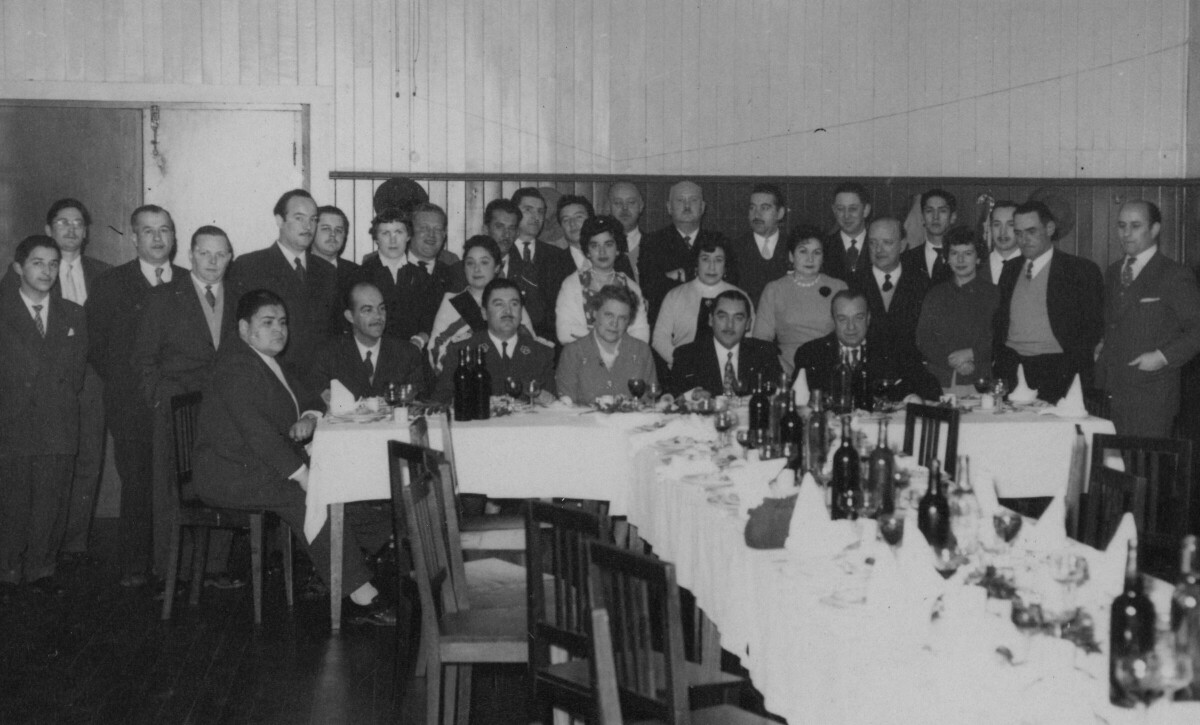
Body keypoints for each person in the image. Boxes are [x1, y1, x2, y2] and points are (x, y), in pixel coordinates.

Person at [193, 289, 396, 626]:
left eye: (283, 322)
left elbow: (312, 400)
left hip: (258, 465)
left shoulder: (268, 361)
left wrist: (309, 417)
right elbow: (258, 434)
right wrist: (302, 474)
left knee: (337, 481)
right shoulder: (234, 367)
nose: (279, 330)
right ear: (244, 328)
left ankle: (372, 549)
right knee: (306, 495)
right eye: (268, 323)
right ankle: (360, 592)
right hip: (228, 474)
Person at [132, 225, 245, 582]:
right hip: (176, 406)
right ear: (191, 254)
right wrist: (159, 398)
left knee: (222, 482)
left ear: (230, 257)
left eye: (220, 254)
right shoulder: (163, 297)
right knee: (171, 491)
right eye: (204, 253)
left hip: (225, 409)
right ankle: (171, 572)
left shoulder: (241, 298)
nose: (212, 261)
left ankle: (214, 567)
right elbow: (144, 358)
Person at [88, 205, 186, 588]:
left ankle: (177, 566)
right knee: (138, 482)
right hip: (131, 404)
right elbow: (98, 348)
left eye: (164, 230)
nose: (158, 238)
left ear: (174, 236)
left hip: (180, 405)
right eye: (148, 231)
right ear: (133, 237)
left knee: (179, 485)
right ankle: (135, 565)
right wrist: (133, 388)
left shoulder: (188, 281)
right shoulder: (111, 284)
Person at [0, 235, 88, 595]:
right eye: (38, 263)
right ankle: (7, 570)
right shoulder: (3, 311)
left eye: (53, 264)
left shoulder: (73, 314)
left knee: (52, 502)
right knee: (12, 501)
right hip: (11, 422)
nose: (47, 271)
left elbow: (76, 374)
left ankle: (41, 569)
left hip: (57, 422)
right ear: (18, 267)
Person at [1096, 200, 1200, 436]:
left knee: (1143, 460)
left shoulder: (1174, 274)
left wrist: (1162, 357)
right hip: (1110, 391)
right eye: (1121, 226)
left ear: (1154, 229)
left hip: (1152, 397)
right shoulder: (1113, 272)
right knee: (1109, 458)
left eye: (1135, 226)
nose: (1126, 233)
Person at [45, 199, 109, 568]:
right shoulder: (32, 268)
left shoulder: (104, 274)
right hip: (48, 384)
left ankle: (74, 543)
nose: (71, 229)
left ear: (86, 232)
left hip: (91, 381)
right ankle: (44, 543)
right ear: (49, 228)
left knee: (88, 459)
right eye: (62, 222)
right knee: (53, 462)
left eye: (78, 223)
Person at [993, 200, 1104, 402]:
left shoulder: (1080, 270)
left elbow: (1093, 327)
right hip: (1011, 366)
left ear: (1050, 228)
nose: (1023, 239)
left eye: (1031, 231)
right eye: (1018, 233)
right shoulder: (1010, 269)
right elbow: (999, 321)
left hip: (1058, 369)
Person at [230, 189, 338, 378]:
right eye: (299, 218)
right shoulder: (249, 266)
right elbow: (239, 333)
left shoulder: (327, 271)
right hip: (269, 377)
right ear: (279, 220)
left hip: (319, 379)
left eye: (313, 219)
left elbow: (331, 334)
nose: (308, 226)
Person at [793, 290, 942, 402]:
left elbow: (931, 388)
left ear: (868, 318)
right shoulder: (811, 353)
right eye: (843, 319)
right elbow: (799, 399)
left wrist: (907, 396)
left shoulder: (892, 348)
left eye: (858, 318)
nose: (851, 327)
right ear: (833, 321)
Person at [433, 279, 556, 404]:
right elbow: (441, 400)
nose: (508, 311)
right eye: (499, 304)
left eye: (514, 304)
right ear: (484, 313)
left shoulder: (541, 352)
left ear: (521, 312)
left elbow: (553, 404)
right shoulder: (463, 350)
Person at [354, 205, 459, 349]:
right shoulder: (365, 271)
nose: (431, 235)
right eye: (424, 228)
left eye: (437, 229)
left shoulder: (438, 273)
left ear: (407, 235)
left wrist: (419, 340)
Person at [428, 235, 536, 371]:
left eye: (484, 262)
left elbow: (531, 347)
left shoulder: (511, 300)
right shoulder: (452, 302)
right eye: (470, 263)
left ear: (497, 267)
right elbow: (435, 351)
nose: (476, 269)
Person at [308, 281, 431, 400]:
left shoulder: (407, 354)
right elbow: (317, 403)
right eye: (368, 310)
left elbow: (418, 405)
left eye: (382, 308)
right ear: (350, 316)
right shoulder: (327, 355)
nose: (378, 316)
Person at [752, 225, 849, 376]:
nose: (810, 259)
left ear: (823, 257)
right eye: (803, 251)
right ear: (791, 256)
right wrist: (788, 372)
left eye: (817, 252)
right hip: (786, 369)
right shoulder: (774, 289)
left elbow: (847, 334)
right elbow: (761, 341)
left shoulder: (839, 287)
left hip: (829, 368)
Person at [915, 227, 1000, 389]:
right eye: (954, 253)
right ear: (947, 258)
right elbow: (923, 338)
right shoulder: (935, 294)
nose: (960, 260)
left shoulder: (994, 294)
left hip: (981, 379)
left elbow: (999, 338)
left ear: (978, 258)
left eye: (968, 253)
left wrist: (973, 354)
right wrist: (952, 360)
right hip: (940, 379)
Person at [639, 181, 727, 324]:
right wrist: (703, 277)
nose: (687, 206)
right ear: (669, 207)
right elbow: (650, 287)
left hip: (708, 324)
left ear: (702, 207)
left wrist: (680, 274)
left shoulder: (719, 240)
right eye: (680, 200)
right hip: (667, 324)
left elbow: (728, 281)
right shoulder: (652, 242)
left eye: (693, 200)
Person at [555, 216, 650, 345]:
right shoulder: (571, 284)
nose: (602, 252)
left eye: (608, 244)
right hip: (583, 354)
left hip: (623, 355)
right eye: (595, 246)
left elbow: (641, 333)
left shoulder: (630, 286)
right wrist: (605, 345)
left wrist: (614, 348)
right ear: (587, 251)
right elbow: (565, 332)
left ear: (617, 249)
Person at [556, 285, 657, 405]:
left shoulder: (642, 352)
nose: (614, 323)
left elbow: (650, 402)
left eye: (622, 318)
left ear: (629, 321)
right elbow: (566, 406)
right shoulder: (573, 353)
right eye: (609, 315)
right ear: (594, 313)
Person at [652, 236, 743, 368]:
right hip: (683, 369)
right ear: (696, 262)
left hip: (728, 369)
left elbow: (749, 340)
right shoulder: (675, 295)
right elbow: (659, 339)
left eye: (718, 260)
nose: (712, 267)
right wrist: (682, 363)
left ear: (726, 265)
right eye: (705, 259)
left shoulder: (740, 297)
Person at [669, 290, 781, 397]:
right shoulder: (686, 355)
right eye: (722, 317)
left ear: (748, 324)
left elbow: (779, 393)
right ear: (711, 320)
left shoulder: (764, 352)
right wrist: (693, 396)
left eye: (738, 318)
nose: (729, 325)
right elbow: (674, 397)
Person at [854, 217, 929, 359]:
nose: (878, 249)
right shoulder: (853, 283)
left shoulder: (921, 283)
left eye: (887, 242)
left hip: (910, 366)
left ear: (902, 245)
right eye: (873, 242)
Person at [510, 188, 575, 340]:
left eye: (540, 211)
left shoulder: (557, 256)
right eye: (528, 210)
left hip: (549, 341)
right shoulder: (501, 252)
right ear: (514, 213)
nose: (536, 217)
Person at [726, 183, 791, 306]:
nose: (756, 214)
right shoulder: (734, 248)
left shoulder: (793, 246)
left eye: (764, 208)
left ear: (780, 213)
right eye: (752, 208)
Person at [312, 205, 358, 334]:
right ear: (312, 231)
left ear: (345, 236)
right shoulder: (300, 269)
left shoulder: (357, 272)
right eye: (326, 229)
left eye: (338, 230)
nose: (333, 234)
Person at [901, 188, 956, 287]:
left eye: (942, 211)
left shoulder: (963, 258)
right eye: (929, 211)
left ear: (952, 217)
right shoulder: (905, 260)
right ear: (922, 218)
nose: (935, 217)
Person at [822, 182, 872, 282]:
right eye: (840, 209)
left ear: (866, 210)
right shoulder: (823, 246)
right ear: (834, 210)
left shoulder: (877, 245)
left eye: (853, 209)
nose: (846, 215)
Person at [607, 182, 645, 279]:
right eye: (618, 203)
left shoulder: (656, 246)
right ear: (608, 207)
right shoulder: (597, 248)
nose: (624, 208)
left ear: (641, 206)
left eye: (631, 202)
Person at [987, 200, 1022, 285]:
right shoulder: (976, 267)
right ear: (990, 227)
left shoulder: (1034, 265)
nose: (1003, 232)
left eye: (1011, 224)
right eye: (997, 224)